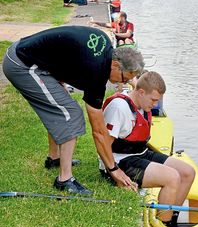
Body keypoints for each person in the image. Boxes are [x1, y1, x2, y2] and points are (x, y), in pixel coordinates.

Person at [2, 26, 144, 195]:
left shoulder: (104, 43)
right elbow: (98, 131)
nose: (119, 83)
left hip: (29, 55)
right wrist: (114, 169)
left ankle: (54, 158)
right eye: (123, 78)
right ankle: (64, 179)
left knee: (59, 103)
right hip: (22, 64)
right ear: (115, 64)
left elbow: (68, 51)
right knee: (71, 114)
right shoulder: (97, 71)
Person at [99, 71, 195, 227]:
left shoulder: (141, 99)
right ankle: (164, 226)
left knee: (187, 173)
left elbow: (137, 85)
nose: (155, 105)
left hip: (140, 153)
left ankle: (170, 218)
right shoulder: (119, 107)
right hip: (120, 160)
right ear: (141, 92)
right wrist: (114, 171)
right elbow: (102, 144)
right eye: (154, 100)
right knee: (172, 177)